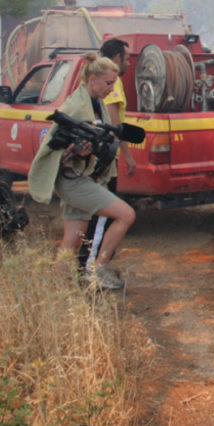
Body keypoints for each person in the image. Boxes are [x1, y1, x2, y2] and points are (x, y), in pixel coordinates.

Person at [28, 52, 136, 291]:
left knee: (72, 242)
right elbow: (54, 148)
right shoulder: (76, 106)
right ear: (93, 78)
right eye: (108, 83)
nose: (111, 88)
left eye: (114, 83)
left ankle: (61, 293)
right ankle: (101, 267)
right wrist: (74, 152)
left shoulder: (93, 102)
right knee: (126, 215)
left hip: (80, 176)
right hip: (73, 180)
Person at [76, 38, 136, 272]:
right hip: (103, 161)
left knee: (93, 217)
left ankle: (88, 264)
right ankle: (95, 269)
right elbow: (114, 121)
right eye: (128, 58)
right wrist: (128, 155)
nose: (130, 63)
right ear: (118, 58)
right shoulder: (113, 80)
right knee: (105, 216)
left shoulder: (91, 82)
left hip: (95, 159)